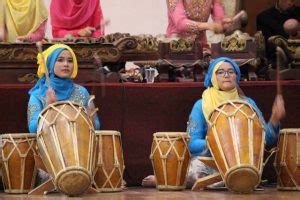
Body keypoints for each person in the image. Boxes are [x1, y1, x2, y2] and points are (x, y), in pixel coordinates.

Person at [142, 57, 285, 187]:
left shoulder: (248, 103)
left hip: (243, 163)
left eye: (231, 71)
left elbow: (266, 140)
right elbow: (191, 143)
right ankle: (168, 180)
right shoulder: (202, 104)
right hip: (211, 162)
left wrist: (274, 118)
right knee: (195, 173)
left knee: (247, 174)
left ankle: (176, 180)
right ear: (212, 77)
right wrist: (218, 144)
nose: (226, 75)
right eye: (220, 72)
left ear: (237, 76)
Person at [27, 44, 100, 133]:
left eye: (70, 61)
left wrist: (91, 117)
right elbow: (33, 129)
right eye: (60, 60)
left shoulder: (82, 91)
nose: (66, 64)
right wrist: (48, 108)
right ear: (50, 63)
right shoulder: (38, 95)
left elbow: (97, 126)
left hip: (80, 143)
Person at [166, 0, 233, 47]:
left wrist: (224, 23)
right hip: (176, 47)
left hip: (201, 47)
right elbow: (180, 23)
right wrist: (208, 26)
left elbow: (219, 18)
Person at [256, 0, 300, 65]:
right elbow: (269, 47)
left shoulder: (298, 13)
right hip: (277, 59)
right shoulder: (264, 17)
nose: (289, 2)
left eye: (292, 0)